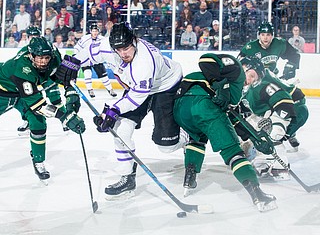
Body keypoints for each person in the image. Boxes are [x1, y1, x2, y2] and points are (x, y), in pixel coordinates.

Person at [93, 22, 188, 199]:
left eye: (126, 48)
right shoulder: (109, 46)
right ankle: (127, 177)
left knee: (166, 146)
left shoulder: (144, 63)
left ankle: (188, 136)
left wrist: (113, 110)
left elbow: (136, 97)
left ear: (134, 41)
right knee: (120, 130)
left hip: (165, 86)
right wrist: (72, 64)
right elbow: (88, 54)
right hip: (138, 87)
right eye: (118, 50)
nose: (123, 54)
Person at [173, 53, 277, 212]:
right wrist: (220, 84)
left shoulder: (237, 94)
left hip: (181, 109)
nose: (250, 80)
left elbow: (233, 120)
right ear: (246, 66)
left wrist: (254, 138)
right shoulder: (235, 69)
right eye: (252, 75)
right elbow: (206, 59)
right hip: (202, 105)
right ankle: (258, 195)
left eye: (254, 80)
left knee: (198, 138)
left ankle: (189, 179)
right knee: (233, 151)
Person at [0, 36, 85, 183]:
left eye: (46, 57)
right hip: (3, 93)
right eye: (39, 57)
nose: (43, 61)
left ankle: (38, 161)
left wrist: (71, 93)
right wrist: (64, 116)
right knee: (39, 112)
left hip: (22, 96)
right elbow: (39, 105)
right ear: (31, 55)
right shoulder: (22, 68)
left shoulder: (55, 56)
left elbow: (63, 77)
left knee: (38, 123)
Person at [236, 56, 308, 179]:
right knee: (251, 125)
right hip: (285, 106)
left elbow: (284, 102)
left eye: (252, 76)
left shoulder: (263, 84)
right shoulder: (248, 88)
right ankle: (261, 156)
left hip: (294, 108)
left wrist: (273, 126)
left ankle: (278, 165)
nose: (248, 79)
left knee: (273, 129)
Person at [73, 23, 117, 98]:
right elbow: (77, 47)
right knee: (87, 74)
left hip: (97, 60)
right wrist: (76, 55)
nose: (95, 33)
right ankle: (90, 90)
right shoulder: (85, 38)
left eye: (96, 31)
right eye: (93, 31)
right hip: (86, 60)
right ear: (90, 31)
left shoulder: (102, 39)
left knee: (104, 76)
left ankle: (110, 90)